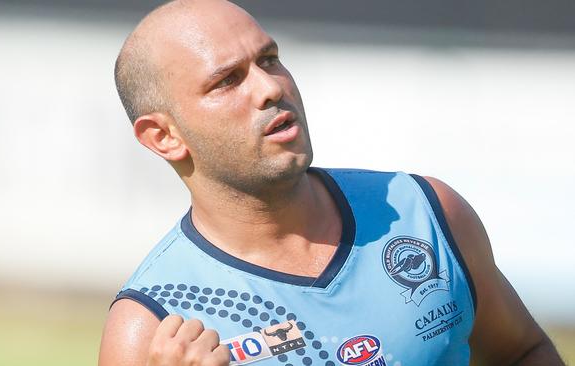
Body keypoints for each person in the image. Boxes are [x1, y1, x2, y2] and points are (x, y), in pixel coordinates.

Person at [98, 1, 565, 365]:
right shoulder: (153, 325)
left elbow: (521, 353)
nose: (269, 87)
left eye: (270, 59)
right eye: (227, 80)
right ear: (164, 136)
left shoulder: (425, 213)